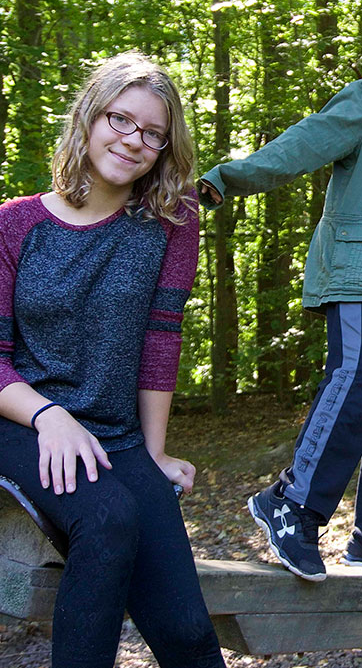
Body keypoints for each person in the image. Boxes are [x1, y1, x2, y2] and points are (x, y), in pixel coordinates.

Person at [199, 0, 362, 582]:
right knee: (360, 377)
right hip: (360, 271)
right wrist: (222, 180)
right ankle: (292, 505)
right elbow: (300, 145)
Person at [0, 52, 226, 668]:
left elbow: (160, 337)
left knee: (189, 637)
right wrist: (50, 417)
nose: (135, 141)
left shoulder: (171, 220)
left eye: (153, 133)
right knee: (106, 518)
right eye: (121, 120)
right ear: (88, 119)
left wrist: (153, 453)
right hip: (20, 422)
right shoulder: (14, 225)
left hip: (116, 438)